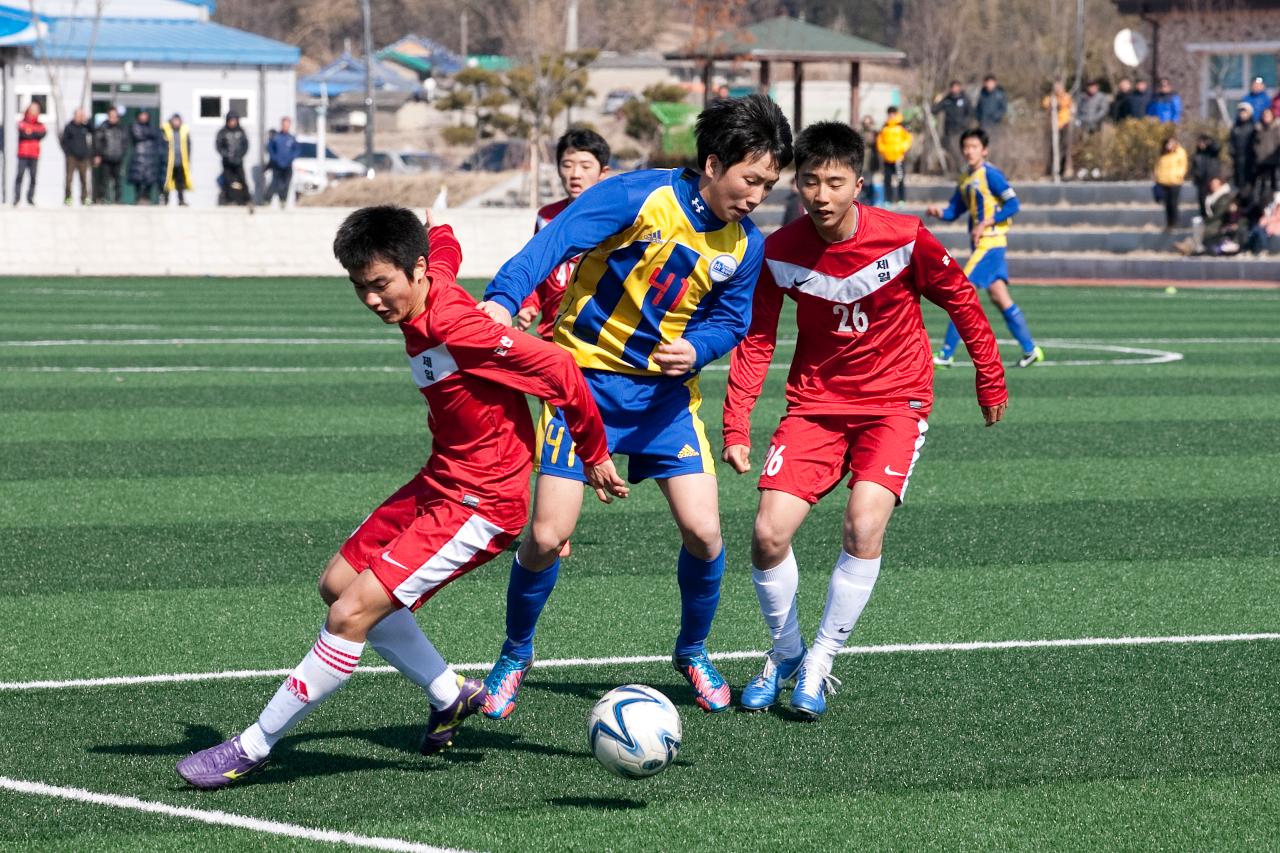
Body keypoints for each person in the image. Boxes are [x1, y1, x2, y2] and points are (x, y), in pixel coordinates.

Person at [174, 206, 623, 789]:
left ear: (413, 273)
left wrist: (595, 456)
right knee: (337, 582)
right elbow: (443, 255)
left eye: (380, 285)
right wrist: (440, 229)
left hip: (480, 500)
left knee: (350, 613)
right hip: (441, 478)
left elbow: (561, 368)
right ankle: (449, 694)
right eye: (360, 287)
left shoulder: (456, 326)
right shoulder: (427, 278)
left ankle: (253, 746)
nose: (371, 300)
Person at [474, 94, 793, 718]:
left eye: (768, 185)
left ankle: (693, 651)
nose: (757, 196)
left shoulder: (745, 243)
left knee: (705, 532)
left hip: (664, 399)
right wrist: (503, 299)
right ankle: (514, 653)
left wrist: (697, 347)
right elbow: (555, 243)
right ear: (712, 163)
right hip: (581, 385)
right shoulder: (636, 197)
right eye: (750, 179)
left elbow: (734, 320)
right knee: (546, 535)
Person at [722, 121, 1008, 718]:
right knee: (769, 533)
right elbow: (757, 337)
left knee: (861, 524)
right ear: (795, 184)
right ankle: (785, 652)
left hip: (894, 403)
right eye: (809, 182)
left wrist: (989, 373)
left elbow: (960, 297)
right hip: (814, 405)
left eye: (834, 182)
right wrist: (737, 420)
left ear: (859, 182)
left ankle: (820, 661)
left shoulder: (906, 237)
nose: (821, 195)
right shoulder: (777, 251)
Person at [928, 128, 1044, 368]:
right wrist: (939, 212)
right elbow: (953, 211)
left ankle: (946, 353)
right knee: (999, 297)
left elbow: (1013, 204)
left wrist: (988, 221)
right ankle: (1030, 350)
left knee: (960, 292)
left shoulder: (990, 175)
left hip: (991, 244)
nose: (969, 151)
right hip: (981, 245)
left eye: (974, 147)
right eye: (966, 147)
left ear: (984, 150)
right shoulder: (965, 178)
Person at [514, 128, 611, 341]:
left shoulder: (617, 220)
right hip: (552, 336)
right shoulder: (546, 217)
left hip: (598, 342)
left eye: (585, 166)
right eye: (567, 165)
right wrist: (530, 303)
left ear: (603, 172)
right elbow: (537, 268)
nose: (575, 174)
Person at [1177, 175, 1241, 256]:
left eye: (1215, 184)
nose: (1212, 186)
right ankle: (1192, 246)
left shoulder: (1224, 197)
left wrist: (1206, 220)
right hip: (1212, 222)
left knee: (1200, 225)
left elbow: (1218, 214)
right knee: (1197, 222)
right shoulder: (1212, 196)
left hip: (1218, 223)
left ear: (1220, 184)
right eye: (1212, 184)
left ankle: (1191, 246)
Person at [876, 106, 912, 208]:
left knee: (900, 179)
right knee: (887, 180)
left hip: (898, 158)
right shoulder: (884, 127)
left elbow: (908, 139)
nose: (891, 116)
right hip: (887, 158)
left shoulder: (902, 126)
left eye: (893, 113)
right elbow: (880, 141)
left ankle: (901, 200)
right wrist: (883, 150)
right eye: (889, 114)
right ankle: (888, 200)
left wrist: (901, 148)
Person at [931, 80, 973, 163]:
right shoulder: (947, 100)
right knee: (951, 151)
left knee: (962, 149)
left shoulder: (965, 99)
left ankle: (963, 166)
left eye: (956, 87)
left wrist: (965, 124)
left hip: (962, 130)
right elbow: (934, 110)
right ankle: (954, 166)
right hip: (949, 130)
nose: (954, 89)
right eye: (953, 87)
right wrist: (936, 101)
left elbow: (970, 113)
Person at [93, 107, 127, 204]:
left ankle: (117, 200)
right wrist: (98, 155)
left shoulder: (122, 128)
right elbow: (98, 142)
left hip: (118, 158)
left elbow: (125, 143)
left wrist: (121, 153)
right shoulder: (102, 127)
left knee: (118, 181)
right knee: (103, 180)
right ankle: (101, 198)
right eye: (111, 116)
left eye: (115, 116)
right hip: (106, 158)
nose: (113, 118)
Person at [128, 109, 162, 204]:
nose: (143, 117)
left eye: (145, 115)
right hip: (138, 158)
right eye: (142, 115)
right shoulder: (134, 126)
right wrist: (149, 134)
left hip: (150, 159)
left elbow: (156, 134)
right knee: (137, 180)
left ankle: (146, 198)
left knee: (149, 180)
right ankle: (138, 198)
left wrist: (148, 133)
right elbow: (138, 135)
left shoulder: (152, 127)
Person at [1153, 136, 1188, 231]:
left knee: (1174, 202)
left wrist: (1178, 175)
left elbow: (1183, 165)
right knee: (1167, 203)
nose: (1169, 145)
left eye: (1171, 143)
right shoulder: (1163, 154)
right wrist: (1157, 176)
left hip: (1175, 181)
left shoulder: (1180, 152)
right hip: (1163, 181)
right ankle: (1169, 223)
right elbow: (1158, 166)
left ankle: (1175, 222)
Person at [14, 102, 45, 206]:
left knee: (33, 177)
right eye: (33, 109)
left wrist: (30, 132)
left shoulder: (40, 124)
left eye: (36, 109)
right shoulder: (22, 122)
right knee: (20, 175)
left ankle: (30, 198)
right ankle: (17, 198)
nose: (34, 111)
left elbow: (41, 134)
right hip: (23, 153)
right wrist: (32, 134)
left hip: (34, 154)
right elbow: (23, 133)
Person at [60, 108, 93, 206]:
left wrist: (86, 121)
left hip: (83, 157)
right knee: (69, 179)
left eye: (81, 115)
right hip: (72, 157)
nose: (79, 117)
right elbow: (64, 141)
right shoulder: (69, 127)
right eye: (78, 115)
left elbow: (93, 131)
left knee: (84, 179)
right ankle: (68, 198)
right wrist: (68, 153)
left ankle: (85, 198)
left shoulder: (85, 127)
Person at [216, 111, 250, 205]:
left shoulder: (241, 131)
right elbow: (219, 146)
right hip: (227, 162)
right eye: (231, 120)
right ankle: (229, 199)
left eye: (234, 120)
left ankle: (246, 199)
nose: (232, 122)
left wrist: (240, 155)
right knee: (228, 181)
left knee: (242, 180)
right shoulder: (223, 132)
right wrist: (226, 155)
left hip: (238, 162)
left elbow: (245, 145)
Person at [1042, 79, 1073, 179]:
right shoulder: (1050, 98)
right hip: (1053, 126)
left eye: (1060, 88)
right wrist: (1052, 102)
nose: (1058, 90)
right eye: (1056, 88)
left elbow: (1068, 105)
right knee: (1052, 149)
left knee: (1064, 148)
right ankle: (1051, 170)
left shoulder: (1066, 97)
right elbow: (1045, 105)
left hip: (1064, 125)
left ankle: (1062, 170)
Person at [266, 117, 299, 206]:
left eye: (287, 125)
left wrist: (290, 158)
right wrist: (275, 158)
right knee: (275, 183)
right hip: (277, 164)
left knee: (286, 184)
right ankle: (267, 200)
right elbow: (270, 148)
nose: (286, 127)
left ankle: (283, 200)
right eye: (284, 125)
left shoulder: (291, 138)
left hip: (287, 165)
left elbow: (296, 150)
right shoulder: (276, 137)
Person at [161, 114, 193, 206]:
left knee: (180, 182)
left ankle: (181, 200)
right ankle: (165, 200)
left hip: (180, 162)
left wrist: (187, 160)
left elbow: (188, 147)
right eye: (174, 120)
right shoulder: (165, 131)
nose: (176, 122)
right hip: (169, 162)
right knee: (166, 182)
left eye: (177, 120)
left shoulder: (184, 132)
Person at [1191, 133, 1222, 216]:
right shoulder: (1196, 155)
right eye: (1199, 142)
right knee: (1202, 201)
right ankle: (1204, 217)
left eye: (1203, 142)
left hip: (1212, 180)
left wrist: (1210, 142)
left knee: (1214, 200)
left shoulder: (1212, 153)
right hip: (1201, 181)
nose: (1201, 144)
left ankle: (1215, 218)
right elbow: (1194, 168)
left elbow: (1217, 147)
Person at [1252, 107, 1279, 201]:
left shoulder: (1277, 128)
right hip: (1261, 162)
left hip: (1275, 163)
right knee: (1261, 186)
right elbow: (1254, 145)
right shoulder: (1258, 129)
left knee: (1275, 186)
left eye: (1268, 115)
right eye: (1264, 115)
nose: (1266, 117)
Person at [1230, 103, 1258, 195]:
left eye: (1245, 112)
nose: (1242, 114)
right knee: (1239, 184)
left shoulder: (1254, 127)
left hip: (1250, 161)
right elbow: (1231, 142)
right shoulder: (1235, 127)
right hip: (1238, 160)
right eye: (1241, 112)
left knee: (1249, 185)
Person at [858, 114, 883, 206]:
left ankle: (871, 199)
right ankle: (864, 199)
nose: (866, 125)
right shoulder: (860, 132)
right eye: (865, 123)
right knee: (863, 180)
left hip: (872, 160)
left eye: (868, 123)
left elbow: (876, 143)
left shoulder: (875, 133)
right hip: (863, 160)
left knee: (871, 180)